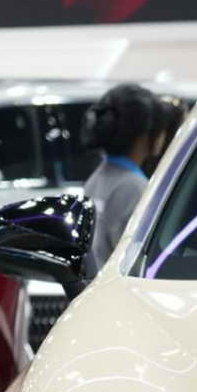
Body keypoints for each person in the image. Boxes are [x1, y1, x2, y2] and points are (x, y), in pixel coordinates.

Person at [79, 83, 167, 276]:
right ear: (144, 135)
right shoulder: (134, 188)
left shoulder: (96, 179)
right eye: (161, 128)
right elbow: (139, 263)